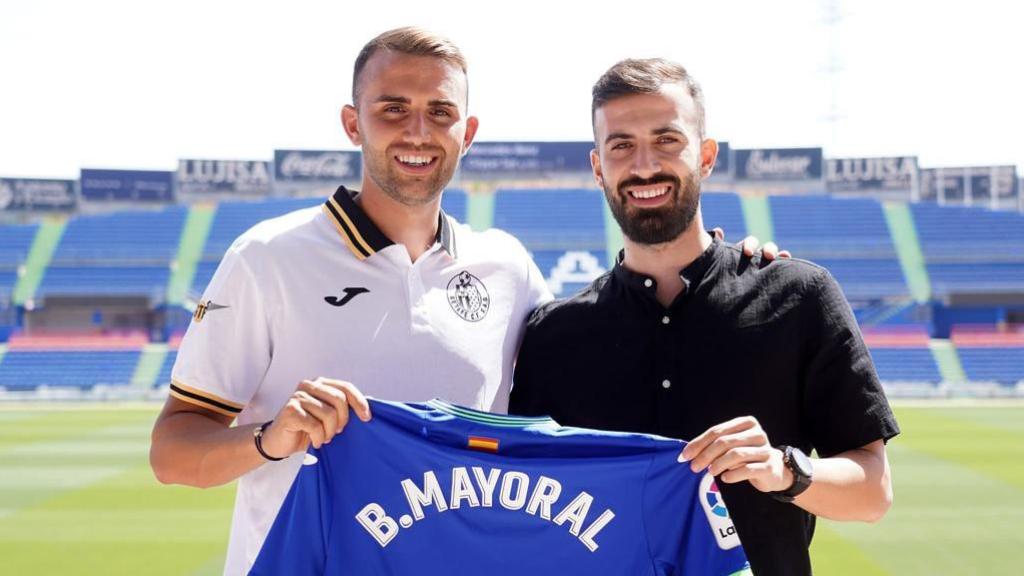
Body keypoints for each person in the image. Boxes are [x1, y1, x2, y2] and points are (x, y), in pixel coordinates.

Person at [150, 28, 777, 575]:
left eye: (440, 111)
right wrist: (270, 439)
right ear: (352, 122)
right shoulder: (266, 258)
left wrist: (732, 264)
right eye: (393, 108)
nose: (418, 131)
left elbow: (606, 333)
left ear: (467, 132)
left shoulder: (507, 267)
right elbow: (172, 452)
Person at [509, 58, 899, 576]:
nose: (645, 165)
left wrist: (784, 470)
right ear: (598, 166)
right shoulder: (551, 336)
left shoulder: (799, 295)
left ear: (706, 155)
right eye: (621, 145)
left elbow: (873, 493)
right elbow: (522, 508)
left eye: (667, 140)